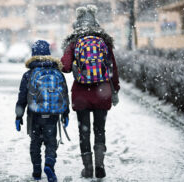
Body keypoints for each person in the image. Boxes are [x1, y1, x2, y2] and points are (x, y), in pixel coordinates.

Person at [60, 5, 120, 179]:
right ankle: (100, 165)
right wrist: (115, 89)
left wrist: (72, 63)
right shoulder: (104, 42)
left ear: (77, 23)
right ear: (96, 22)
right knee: (100, 130)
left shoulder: (74, 42)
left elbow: (64, 66)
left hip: (81, 95)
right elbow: (113, 69)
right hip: (102, 92)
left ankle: (88, 168)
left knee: (84, 132)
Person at [15, 40, 69, 182]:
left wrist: (18, 116)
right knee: (51, 142)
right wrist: (65, 113)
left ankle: (37, 171)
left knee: (35, 143)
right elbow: (64, 93)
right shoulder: (57, 72)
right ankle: (49, 164)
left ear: (33, 54)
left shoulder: (29, 74)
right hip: (52, 114)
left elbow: (22, 97)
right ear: (48, 53)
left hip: (34, 115)